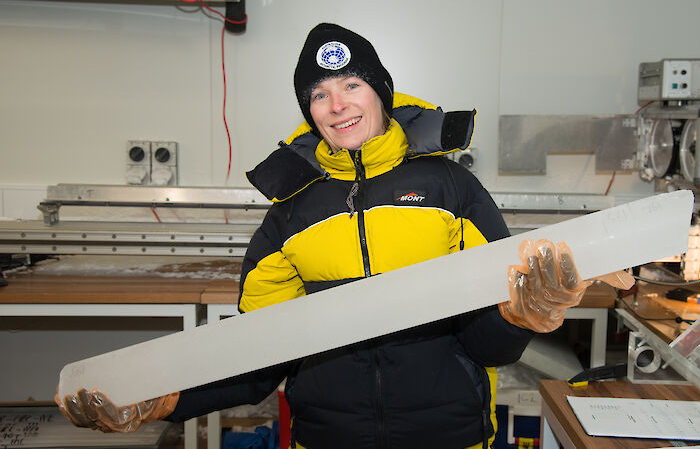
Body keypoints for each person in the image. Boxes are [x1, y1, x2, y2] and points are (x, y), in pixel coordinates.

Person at [56, 23, 632, 448]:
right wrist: (164, 398)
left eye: (351, 84)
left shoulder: (452, 189)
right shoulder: (289, 212)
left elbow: (487, 347)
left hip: (450, 436)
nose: (337, 105)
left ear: (380, 91)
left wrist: (522, 315)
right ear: (309, 113)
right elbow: (255, 363)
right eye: (319, 94)